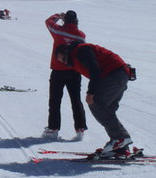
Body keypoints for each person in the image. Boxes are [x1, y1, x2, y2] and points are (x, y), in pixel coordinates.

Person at [54, 41, 133, 155]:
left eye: (61, 58)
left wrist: (91, 92)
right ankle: (120, 147)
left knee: (96, 103)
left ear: (65, 52)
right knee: (107, 110)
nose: (63, 62)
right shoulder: (76, 55)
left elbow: (95, 71)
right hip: (119, 75)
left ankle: (120, 138)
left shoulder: (81, 51)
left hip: (115, 75)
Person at [42, 11, 87, 140]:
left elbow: (48, 21)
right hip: (74, 71)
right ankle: (80, 129)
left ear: (65, 20)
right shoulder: (81, 35)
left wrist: (57, 15)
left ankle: (53, 129)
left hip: (58, 70)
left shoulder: (58, 31)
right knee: (76, 100)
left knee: (55, 100)